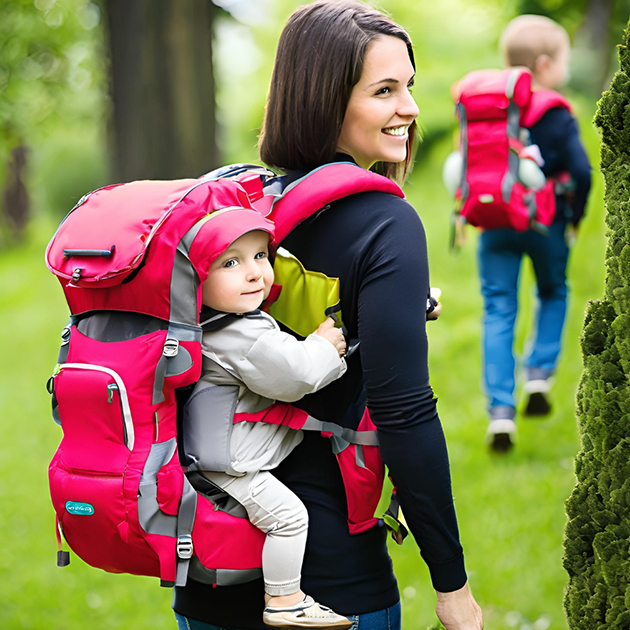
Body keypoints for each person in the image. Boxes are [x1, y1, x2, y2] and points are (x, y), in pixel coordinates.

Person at [173, 1, 483, 629]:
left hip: (209, 567)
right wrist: (451, 585)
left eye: (411, 87)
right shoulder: (386, 223)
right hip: (331, 582)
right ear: (326, 101)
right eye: (385, 91)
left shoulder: (242, 213)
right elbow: (405, 413)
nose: (411, 109)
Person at [193, 207, 351, 628]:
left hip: (215, 457)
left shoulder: (209, 323)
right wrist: (325, 344)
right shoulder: (237, 333)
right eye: (230, 262)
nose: (254, 273)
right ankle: (285, 600)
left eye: (260, 256)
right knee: (288, 518)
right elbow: (295, 374)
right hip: (232, 466)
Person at [479, 15, 591, 451]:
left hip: (495, 222)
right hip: (546, 221)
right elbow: (580, 171)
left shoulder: (491, 106)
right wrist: (575, 214)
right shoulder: (557, 112)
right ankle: (539, 375)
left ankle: (501, 413)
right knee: (552, 291)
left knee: (498, 307)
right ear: (545, 65)